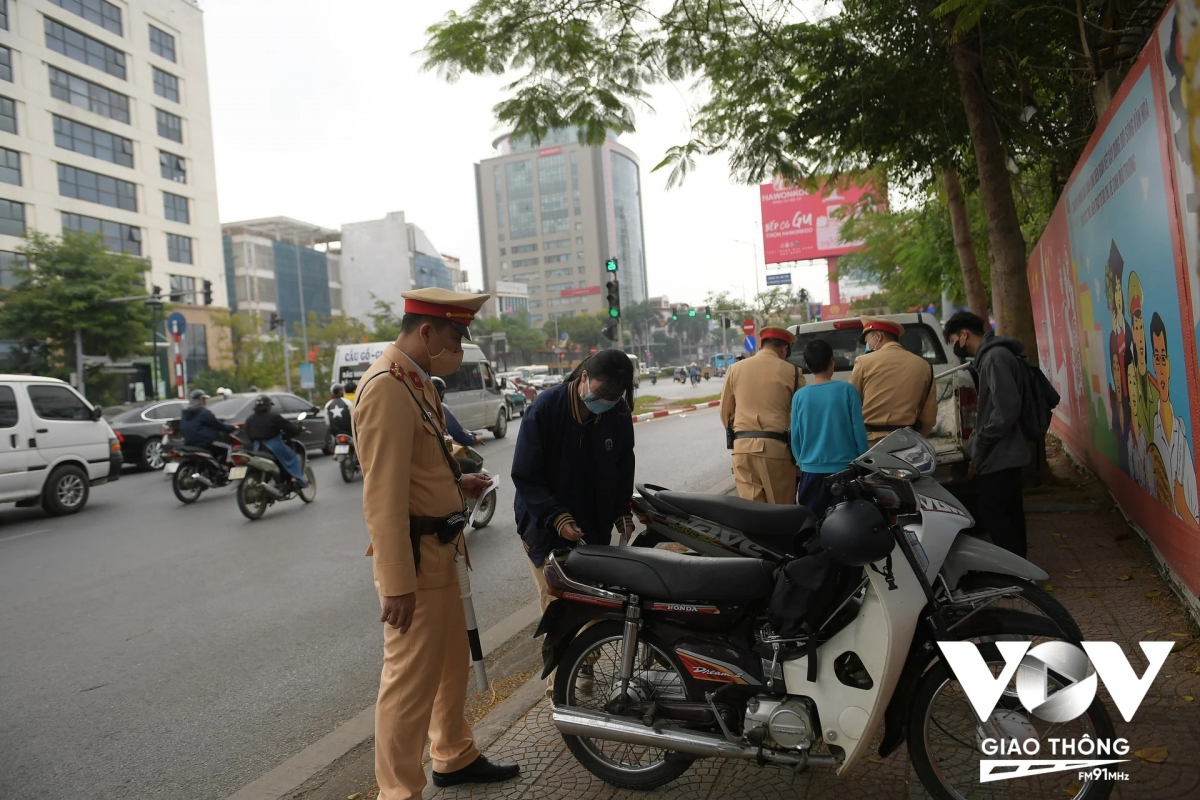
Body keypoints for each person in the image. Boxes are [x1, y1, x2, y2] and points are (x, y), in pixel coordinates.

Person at [352, 287, 518, 800]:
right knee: (408, 682)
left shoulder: (415, 381)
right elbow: (382, 495)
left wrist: (456, 483)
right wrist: (396, 584)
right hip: (417, 561)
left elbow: (422, 462)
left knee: (450, 663)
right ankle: (398, 790)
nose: (458, 347)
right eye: (453, 336)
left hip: (444, 548)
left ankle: (453, 754)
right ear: (426, 332)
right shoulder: (385, 386)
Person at [512, 348, 636, 609]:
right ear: (584, 378)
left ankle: (587, 650)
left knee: (592, 601)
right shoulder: (545, 409)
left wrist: (621, 510)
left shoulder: (617, 412)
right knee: (559, 606)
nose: (607, 401)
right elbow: (526, 473)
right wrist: (555, 516)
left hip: (592, 525)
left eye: (614, 397)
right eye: (602, 394)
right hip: (544, 524)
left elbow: (622, 464)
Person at [943, 311, 1031, 556]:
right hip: (1006, 449)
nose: (955, 347)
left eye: (953, 341)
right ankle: (1020, 568)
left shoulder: (993, 358)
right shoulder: (993, 356)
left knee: (992, 511)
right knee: (1010, 511)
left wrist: (981, 440)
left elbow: (1006, 409)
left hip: (1002, 450)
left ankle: (1015, 570)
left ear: (964, 334)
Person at [720, 327, 805, 504]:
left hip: (742, 449)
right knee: (780, 511)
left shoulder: (734, 369)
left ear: (760, 345)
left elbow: (725, 413)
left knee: (752, 514)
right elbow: (801, 416)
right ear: (784, 349)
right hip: (777, 450)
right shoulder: (794, 372)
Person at [789, 339, 868, 517]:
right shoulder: (848, 390)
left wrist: (804, 463)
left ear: (808, 365)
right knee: (848, 523)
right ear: (832, 361)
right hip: (846, 471)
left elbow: (795, 437)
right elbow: (859, 432)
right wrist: (861, 462)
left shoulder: (799, 396)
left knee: (814, 525)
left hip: (811, 473)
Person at [850, 317, 936, 443]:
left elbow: (850, 405)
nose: (867, 346)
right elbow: (929, 418)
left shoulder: (864, 362)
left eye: (868, 341)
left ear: (878, 336)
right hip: (906, 443)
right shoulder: (924, 365)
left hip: (870, 444)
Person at [242, 394, 307, 489]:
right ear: (268, 406)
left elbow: (248, 434)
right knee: (292, 457)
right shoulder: (273, 417)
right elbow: (290, 429)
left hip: (257, 448)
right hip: (273, 446)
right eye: (270, 405)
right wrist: (300, 429)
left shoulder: (249, 419)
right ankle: (294, 478)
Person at [180, 389, 235, 466]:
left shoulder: (185, 414)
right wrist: (231, 428)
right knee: (228, 447)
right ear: (200, 400)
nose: (205, 401)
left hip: (189, 443)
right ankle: (224, 467)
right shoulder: (204, 413)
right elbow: (218, 425)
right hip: (204, 443)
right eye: (204, 399)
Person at [431, 376, 484, 448]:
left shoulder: (420, 407)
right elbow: (458, 434)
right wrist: (474, 439)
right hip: (438, 451)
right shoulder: (441, 408)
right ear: (441, 393)